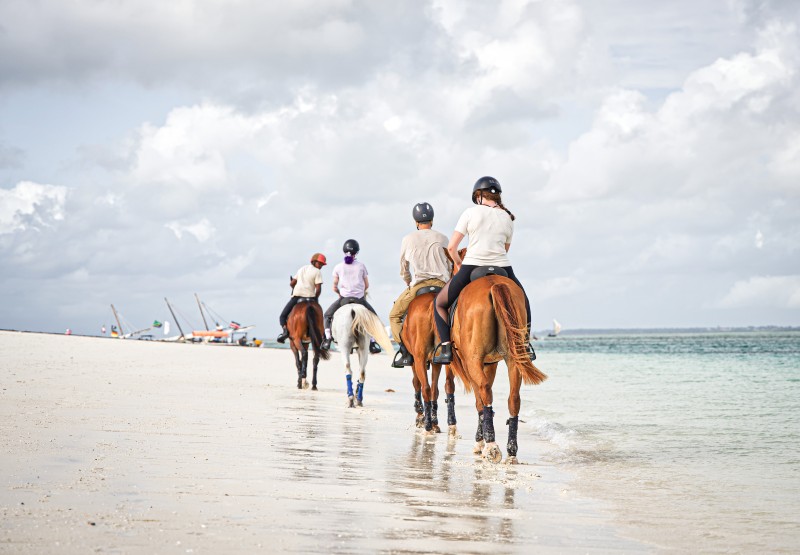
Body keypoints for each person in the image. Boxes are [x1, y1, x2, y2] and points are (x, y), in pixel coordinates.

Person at [432, 176, 534, 364]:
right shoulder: (508, 217)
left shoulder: (470, 213)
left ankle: (446, 347)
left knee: (439, 303)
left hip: (472, 265)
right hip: (503, 268)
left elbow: (452, 248)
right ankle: (525, 344)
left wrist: (459, 264)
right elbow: (505, 250)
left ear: (478, 196)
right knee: (525, 303)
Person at [389, 202, 451, 368]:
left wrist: (408, 281)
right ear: (432, 220)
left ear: (416, 222)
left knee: (394, 316)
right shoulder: (443, 238)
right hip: (442, 285)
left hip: (418, 286)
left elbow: (403, 267)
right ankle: (450, 347)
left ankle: (404, 350)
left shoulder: (408, 239)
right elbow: (450, 265)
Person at [320, 239, 381, 353]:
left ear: (344, 251)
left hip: (344, 299)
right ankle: (373, 342)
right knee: (374, 317)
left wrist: (339, 293)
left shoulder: (338, 267)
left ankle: (327, 339)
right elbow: (366, 285)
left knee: (327, 315)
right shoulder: (361, 266)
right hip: (359, 300)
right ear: (356, 252)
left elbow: (334, 286)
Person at [276, 253, 327, 343]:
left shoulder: (302, 269)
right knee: (320, 316)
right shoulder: (318, 272)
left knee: (283, 316)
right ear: (314, 262)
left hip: (297, 297)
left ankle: (285, 333)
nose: (321, 266)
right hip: (310, 298)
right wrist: (316, 299)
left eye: (322, 264)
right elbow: (318, 289)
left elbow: (292, 284)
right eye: (320, 264)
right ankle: (324, 336)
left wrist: (295, 288)